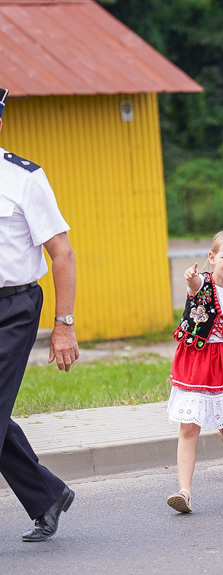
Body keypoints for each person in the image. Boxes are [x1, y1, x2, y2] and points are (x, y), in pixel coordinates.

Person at [0, 87, 79, 542]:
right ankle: (46, 494)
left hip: (13, 307)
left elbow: (62, 253)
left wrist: (63, 326)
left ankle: (45, 494)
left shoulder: (24, 178)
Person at [166, 231, 223, 512]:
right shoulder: (202, 283)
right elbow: (194, 284)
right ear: (212, 258)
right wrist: (190, 277)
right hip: (195, 361)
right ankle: (184, 491)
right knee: (189, 427)